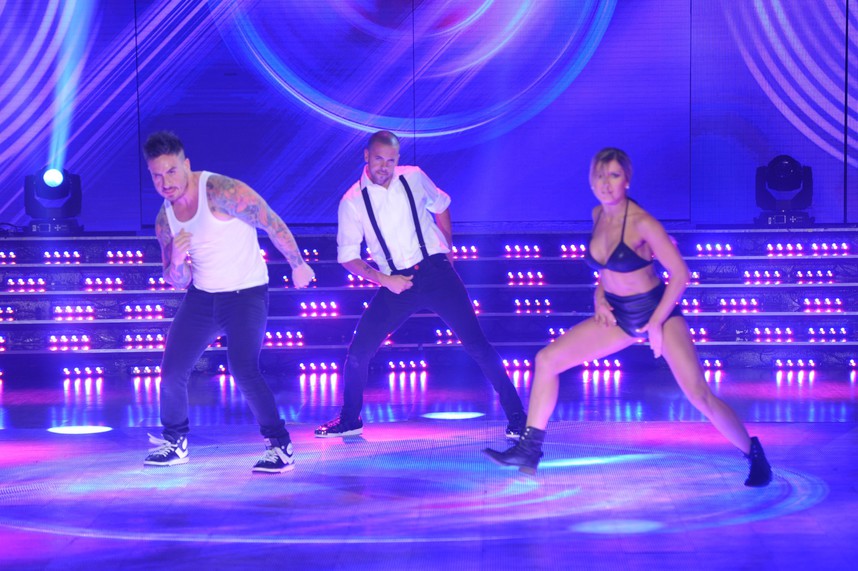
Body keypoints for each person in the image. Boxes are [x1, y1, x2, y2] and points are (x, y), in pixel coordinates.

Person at [483, 147, 772, 487]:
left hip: (657, 310)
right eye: (600, 176)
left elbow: (680, 275)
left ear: (627, 180)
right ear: (591, 180)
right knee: (547, 360)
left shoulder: (642, 223)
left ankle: (754, 454)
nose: (606, 184)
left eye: (614, 175)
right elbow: (606, 270)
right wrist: (599, 297)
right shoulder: (598, 215)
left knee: (699, 395)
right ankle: (529, 451)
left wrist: (656, 323)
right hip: (619, 315)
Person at [314, 130, 527, 438]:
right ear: (366, 156)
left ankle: (518, 417)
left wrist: (448, 249)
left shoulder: (413, 177)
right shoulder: (352, 202)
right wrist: (385, 280)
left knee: (477, 344)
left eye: (391, 160)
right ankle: (350, 419)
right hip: (396, 282)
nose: (384, 167)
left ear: (398, 159)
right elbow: (348, 257)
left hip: (436, 272)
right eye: (379, 159)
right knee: (359, 351)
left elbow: (441, 205)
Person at [141, 131, 315, 473]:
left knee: (242, 366)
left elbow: (270, 221)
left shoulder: (220, 191)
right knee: (172, 371)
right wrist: (176, 260)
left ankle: (280, 446)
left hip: (246, 294)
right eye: (157, 176)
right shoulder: (165, 220)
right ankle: (175, 442)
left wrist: (297, 264)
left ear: (186, 164)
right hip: (202, 298)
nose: (165, 182)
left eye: (171, 171)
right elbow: (178, 280)